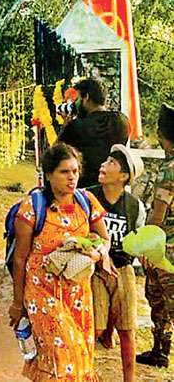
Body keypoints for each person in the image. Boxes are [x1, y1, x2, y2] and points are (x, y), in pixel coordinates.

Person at [9, 143, 112, 381]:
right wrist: (17, 303)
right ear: (49, 175)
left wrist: (96, 254)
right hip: (42, 294)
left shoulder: (86, 202)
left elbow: (104, 240)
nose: (72, 177)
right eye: (64, 172)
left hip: (78, 295)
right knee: (60, 356)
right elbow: (20, 258)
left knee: (80, 357)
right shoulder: (32, 207)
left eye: (75, 171)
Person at [88, 145, 145, 382]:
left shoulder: (134, 206)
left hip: (123, 269)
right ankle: (86, 373)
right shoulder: (88, 197)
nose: (103, 165)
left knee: (127, 329)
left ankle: (129, 379)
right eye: (106, 160)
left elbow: (139, 238)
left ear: (123, 177)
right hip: (95, 269)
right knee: (94, 327)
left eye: (111, 163)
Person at [137, 104, 174, 369]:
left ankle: (162, 350)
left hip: (167, 248)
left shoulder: (169, 170)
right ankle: (160, 353)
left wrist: (147, 248)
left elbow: (158, 215)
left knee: (163, 300)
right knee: (160, 300)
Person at [58, 77, 130, 188]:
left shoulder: (76, 126)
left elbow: (55, 155)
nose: (75, 104)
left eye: (77, 99)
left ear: (86, 97)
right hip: (112, 188)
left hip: (83, 192)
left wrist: (65, 126)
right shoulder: (121, 121)